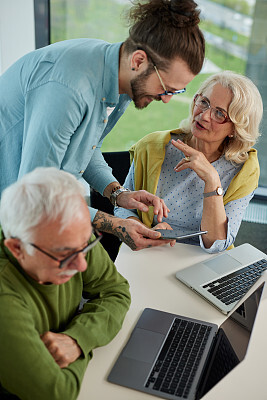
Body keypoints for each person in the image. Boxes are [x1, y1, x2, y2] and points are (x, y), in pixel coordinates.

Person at [0, 0, 205, 252]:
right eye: (166, 88)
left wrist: (118, 194)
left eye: (177, 91)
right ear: (139, 61)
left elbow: (85, 146)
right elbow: (36, 198)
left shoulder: (119, 78)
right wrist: (116, 225)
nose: (167, 99)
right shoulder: (69, 90)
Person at [0, 167, 131, 400]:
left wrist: (77, 339)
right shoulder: (5, 299)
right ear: (16, 248)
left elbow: (115, 290)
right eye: (65, 255)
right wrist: (90, 334)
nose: (82, 265)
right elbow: (59, 393)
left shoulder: (68, 233)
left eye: (85, 245)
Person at [115, 71, 263, 253]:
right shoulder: (152, 147)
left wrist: (212, 180)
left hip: (206, 264)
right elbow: (123, 205)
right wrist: (144, 231)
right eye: (204, 102)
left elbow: (217, 244)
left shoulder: (244, 170)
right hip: (151, 252)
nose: (204, 115)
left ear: (235, 128)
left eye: (219, 113)